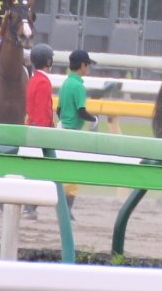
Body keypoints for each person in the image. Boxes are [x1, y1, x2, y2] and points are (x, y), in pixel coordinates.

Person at [57, 48, 99, 219]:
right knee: (73, 174)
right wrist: (94, 119)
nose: (88, 68)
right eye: (87, 65)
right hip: (73, 133)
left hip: (62, 130)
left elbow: (59, 110)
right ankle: (67, 210)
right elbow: (81, 111)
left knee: (59, 171)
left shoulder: (66, 83)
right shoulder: (78, 86)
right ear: (82, 65)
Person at [22, 43, 55, 220]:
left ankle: (30, 206)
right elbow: (43, 111)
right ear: (48, 61)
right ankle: (30, 207)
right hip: (40, 131)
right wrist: (47, 132)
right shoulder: (43, 82)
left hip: (32, 127)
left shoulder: (33, 79)